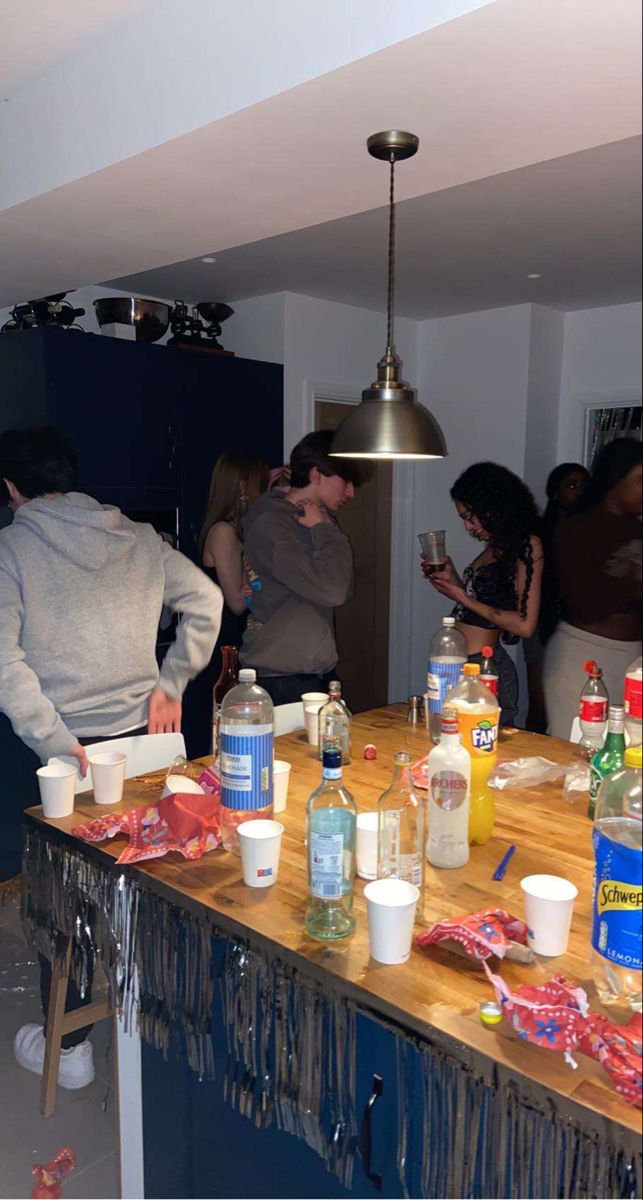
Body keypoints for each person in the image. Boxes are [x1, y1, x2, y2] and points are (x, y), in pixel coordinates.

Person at [0, 427, 222, 1088]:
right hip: (148, 748)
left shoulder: (13, 547)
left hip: (68, 755)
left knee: (66, 902)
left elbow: (5, 664)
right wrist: (170, 684)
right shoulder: (139, 538)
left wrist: (54, 741)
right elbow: (206, 602)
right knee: (148, 884)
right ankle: (159, 1024)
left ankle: (71, 1052)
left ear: (11, 489)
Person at [240, 430, 361, 704]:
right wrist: (323, 529)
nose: (351, 492)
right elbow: (333, 590)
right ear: (317, 475)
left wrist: (323, 528)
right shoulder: (273, 526)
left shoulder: (317, 520)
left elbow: (344, 584)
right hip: (281, 680)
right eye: (346, 481)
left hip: (314, 673)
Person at [425, 461, 544, 726]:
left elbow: (525, 625)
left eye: (470, 516)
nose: (467, 526)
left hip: (485, 670)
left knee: (485, 751)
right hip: (457, 665)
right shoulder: (495, 546)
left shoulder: (528, 545)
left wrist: (463, 597)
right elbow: (481, 604)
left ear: (493, 508)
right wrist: (452, 579)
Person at [543, 437, 642, 739]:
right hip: (583, 655)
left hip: (633, 658)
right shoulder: (577, 528)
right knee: (577, 752)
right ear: (616, 478)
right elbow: (583, 603)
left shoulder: (636, 528)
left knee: (627, 758)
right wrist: (635, 580)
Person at [182, 452, 271, 756]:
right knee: (218, 737)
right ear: (244, 487)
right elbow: (235, 601)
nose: (265, 493)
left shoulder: (234, 530)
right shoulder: (224, 532)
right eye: (261, 485)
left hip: (224, 643)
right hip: (219, 646)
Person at [524, 462, 590, 731]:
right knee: (540, 706)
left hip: (582, 628)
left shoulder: (595, 530)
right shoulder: (541, 533)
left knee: (576, 706)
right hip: (543, 623)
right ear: (555, 493)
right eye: (571, 485)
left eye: (584, 485)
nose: (579, 491)